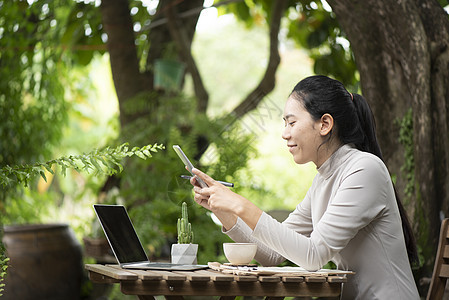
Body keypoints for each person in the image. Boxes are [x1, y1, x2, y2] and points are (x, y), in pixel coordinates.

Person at [189, 75, 420, 299]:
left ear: (325, 124)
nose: (284, 133)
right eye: (284, 123)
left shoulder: (364, 169)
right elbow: (272, 254)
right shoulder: (324, 179)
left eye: (292, 122)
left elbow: (314, 255)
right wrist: (223, 210)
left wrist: (241, 205)